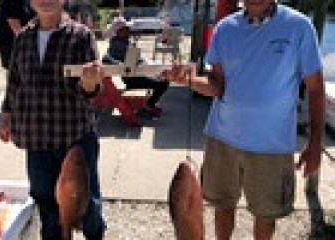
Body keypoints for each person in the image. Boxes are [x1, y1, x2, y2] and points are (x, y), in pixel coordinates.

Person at [164, 0, 325, 239]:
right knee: (222, 205)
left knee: (266, 214)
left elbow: (315, 88)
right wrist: (186, 80)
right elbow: (217, 85)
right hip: (223, 138)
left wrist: (314, 144)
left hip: (272, 145)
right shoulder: (225, 28)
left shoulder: (299, 26)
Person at [0, 0, 106, 239]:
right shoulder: (23, 38)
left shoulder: (81, 36)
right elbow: (14, 83)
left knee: (88, 206)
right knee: (47, 205)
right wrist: (6, 117)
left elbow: (93, 91)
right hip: (37, 142)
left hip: (74, 139)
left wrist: (89, 83)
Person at [103, 18, 169, 118]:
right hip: (132, 78)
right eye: (126, 29)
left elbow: (136, 58)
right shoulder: (116, 44)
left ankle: (149, 104)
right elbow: (106, 58)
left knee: (161, 78)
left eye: (128, 29)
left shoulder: (124, 41)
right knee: (163, 83)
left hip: (137, 74)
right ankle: (149, 105)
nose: (129, 31)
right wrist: (121, 65)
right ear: (119, 31)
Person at [0, 0, 35, 69]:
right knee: (15, 69)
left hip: (19, 38)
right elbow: (16, 29)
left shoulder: (29, 2)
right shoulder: (11, 2)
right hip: (9, 41)